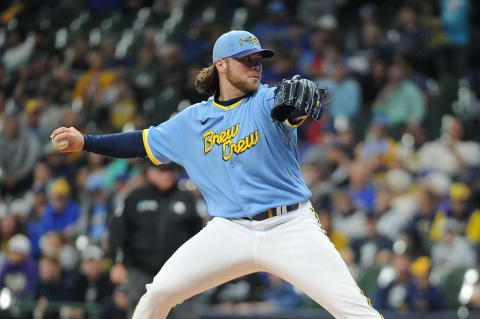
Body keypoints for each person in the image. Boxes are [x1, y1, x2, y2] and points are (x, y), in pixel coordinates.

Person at [50, 30, 383, 318]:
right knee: (158, 294)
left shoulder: (268, 100)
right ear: (220, 65)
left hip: (290, 227)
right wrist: (86, 142)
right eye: (245, 60)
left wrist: (301, 102)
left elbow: (290, 105)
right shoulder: (192, 121)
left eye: (258, 60)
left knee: (354, 309)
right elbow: (140, 142)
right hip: (229, 230)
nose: (255, 65)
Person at [108, 163, 202, 318]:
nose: (168, 174)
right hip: (141, 272)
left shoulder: (186, 199)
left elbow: (198, 235)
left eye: (171, 170)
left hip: (180, 274)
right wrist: (117, 263)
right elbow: (118, 232)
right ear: (149, 172)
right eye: (162, 170)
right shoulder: (135, 197)